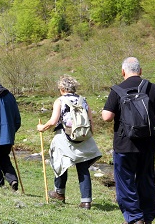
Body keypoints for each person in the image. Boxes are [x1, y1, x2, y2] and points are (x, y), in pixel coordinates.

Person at [102, 57, 155, 224]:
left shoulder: (117, 90)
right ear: (140, 71)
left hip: (124, 144)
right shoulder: (154, 88)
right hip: (149, 143)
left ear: (123, 72)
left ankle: (135, 218)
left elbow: (107, 117)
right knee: (146, 179)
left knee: (125, 182)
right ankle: (147, 217)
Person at [37, 74, 102, 209]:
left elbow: (54, 121)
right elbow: (90, 121)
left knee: (60, 163)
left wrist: (42, 128)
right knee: (83, 168)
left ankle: (59, 193)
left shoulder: (59, 101)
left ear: (62, 88)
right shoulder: (83, 100)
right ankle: (86, 202)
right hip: (83, 136)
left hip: (65, 137)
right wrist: (87, 136)